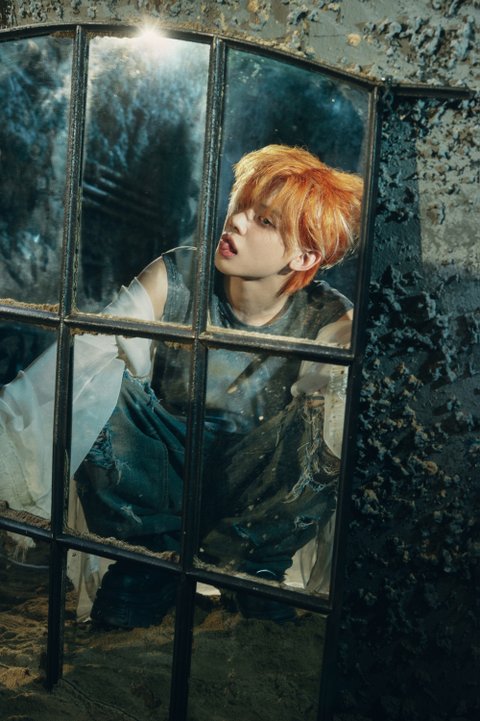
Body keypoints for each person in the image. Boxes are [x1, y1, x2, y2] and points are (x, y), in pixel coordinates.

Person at [0, 144, 363, 628]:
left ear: (305, 256)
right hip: (157, 480)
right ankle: (146, 566)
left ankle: (251, 571)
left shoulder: (328, 315)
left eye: (265, 221)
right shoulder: (177, 277)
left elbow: (338, 387)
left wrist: (333, 373)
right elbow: (79, 356)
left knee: (335, 403)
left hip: (253, 489)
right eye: (241, 205)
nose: (236, 222)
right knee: (96, 369)